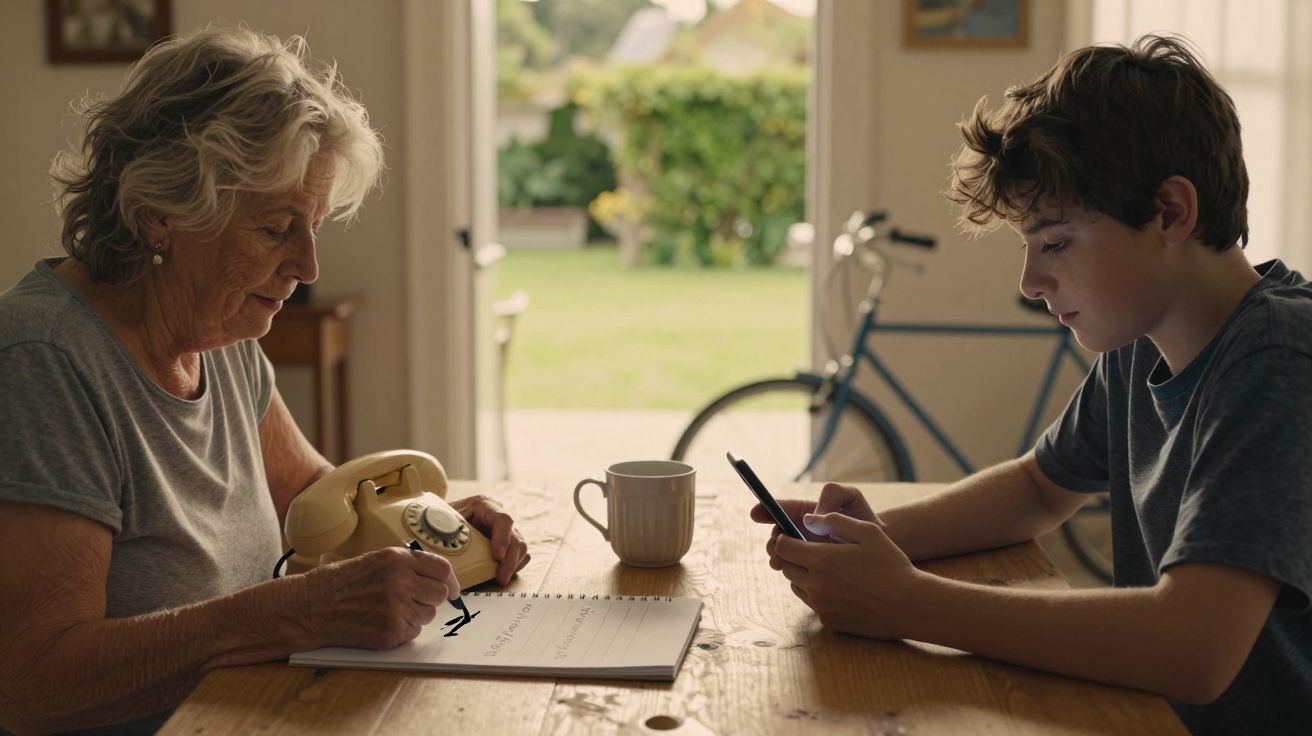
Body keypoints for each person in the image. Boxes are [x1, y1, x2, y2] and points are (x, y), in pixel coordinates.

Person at [753, 34, 1310, 734]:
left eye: (1055, 243)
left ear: (1170, 211)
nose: (1030, 282)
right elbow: (1039, 487)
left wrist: (908, 603)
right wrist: (871, 545)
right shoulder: (1142, 343)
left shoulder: (1281, 358)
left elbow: (1194, 645)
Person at [0, 28, 529, 735]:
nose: (308, 266)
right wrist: (290, 613)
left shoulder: (220, 336)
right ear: (163, 215)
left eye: (312, 226)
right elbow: (34, 682)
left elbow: (318, 496)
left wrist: (439, 526)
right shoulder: (45, 361)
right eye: (278, 228)